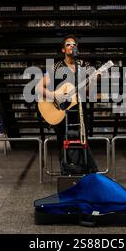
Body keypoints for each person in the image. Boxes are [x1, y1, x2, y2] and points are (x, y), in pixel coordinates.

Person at [36, 34, 97, 174]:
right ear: (63, 49)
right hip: (60, 111)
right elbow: (39, 87)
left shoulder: (84, 66)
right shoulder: (57, 67)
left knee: (82, 141)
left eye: (74, 44)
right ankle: (66, 171)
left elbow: (88, 93)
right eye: (68, 44)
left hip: (79, 110)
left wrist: (92, 81)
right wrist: (54, 95)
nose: (71, 46)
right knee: (63, 142)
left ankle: (83, 171)